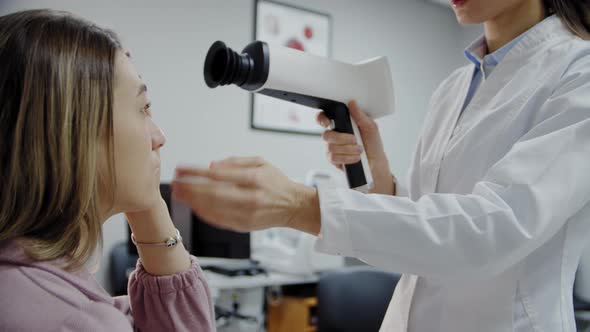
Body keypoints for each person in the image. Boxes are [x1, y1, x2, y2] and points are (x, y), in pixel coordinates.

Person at [172, 0, 590, 330]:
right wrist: (383, 181)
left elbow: (493, 228)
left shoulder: (579, 72)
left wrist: (301, 206)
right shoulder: (454, 87)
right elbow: (432, 218)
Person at [0, 10, 215, 331]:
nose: (159, 137)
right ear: (73, 133)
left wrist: (148, 199)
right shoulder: (79, 320)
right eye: (143, 108)